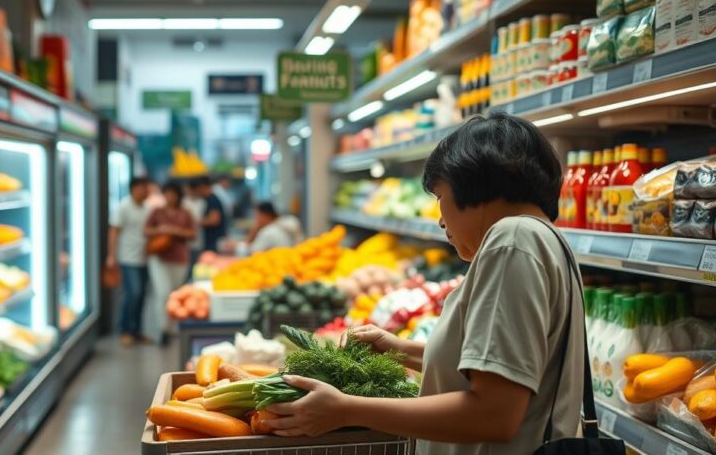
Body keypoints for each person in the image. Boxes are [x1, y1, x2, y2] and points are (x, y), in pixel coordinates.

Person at [263, 113, 585, 455]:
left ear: (473, 183)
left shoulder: (511, 240)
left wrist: (344, 409)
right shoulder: (549, 241)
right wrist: (401, 350)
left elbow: (494, 414)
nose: (441, 218)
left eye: (440, 196)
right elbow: (503, 369)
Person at [144, 182, 196, 345]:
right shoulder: (156, 212)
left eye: (173, 194)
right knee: (163, 293)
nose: (170, 197)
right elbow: (146, 230)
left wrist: (175, 231)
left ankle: (173, 326)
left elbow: (192, 234)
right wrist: (162, 229)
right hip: (159, 257)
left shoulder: (185, 213)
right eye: (167, 193)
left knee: (174, 293)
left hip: (179, 258)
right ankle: (163, 328)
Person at [105, 177, 152, 346]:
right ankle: (125, 330)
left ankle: (137, 331)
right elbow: (114, 231)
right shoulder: (123, 207)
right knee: (133, 293)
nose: (147, 191)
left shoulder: (147, 208)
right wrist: (111, 256)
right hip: (127, 257)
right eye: (143, 188)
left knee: (141, 296)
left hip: (144, 258)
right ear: (134, 189)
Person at [182, 181, 207, 282]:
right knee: (185, 268)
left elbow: (200, 220)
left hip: (198, 239)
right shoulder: (183, 202)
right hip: (185, 241)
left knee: (195, 267)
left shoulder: (202, 202)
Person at [195, 177, 226, 253]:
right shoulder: (207, 200)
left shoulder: (213, 200)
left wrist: (196, 222)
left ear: (203, 187)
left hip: (214, 241)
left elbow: (214, 220)